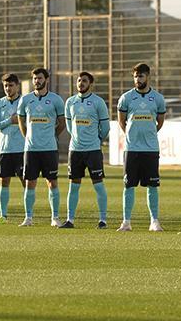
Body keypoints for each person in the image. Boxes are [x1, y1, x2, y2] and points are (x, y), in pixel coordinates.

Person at [116, 63, 166, 232]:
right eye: (136, 76)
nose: (138, 79)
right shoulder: (126, 98)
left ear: (148, 77)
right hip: (132, 149)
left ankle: (154, 221)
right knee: (128, 185)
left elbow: (160, 122)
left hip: (151, 148)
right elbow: (122, 121)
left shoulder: (158, 98)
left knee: (152, 186)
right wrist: (131, 135)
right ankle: (126, 221)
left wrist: (149, 133)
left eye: (141, 76)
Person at [59, 71, 110, 229]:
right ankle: (70, 220)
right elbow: (69, 127)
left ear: (91, 84)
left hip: (93, 151)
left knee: (98, 185)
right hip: (75, 150)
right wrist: (77, 138)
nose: (81, 83)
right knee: (73, 185)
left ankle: (103, 220)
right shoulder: (70, 102)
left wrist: (96, 140)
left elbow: (105, 128)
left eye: (84, 81)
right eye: (79, 80)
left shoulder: (98, 102)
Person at [17, 67, 66, 226]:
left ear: (46, 80)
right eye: (35, 78)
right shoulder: (25, 100)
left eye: (39, 78)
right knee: (30, 183)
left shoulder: (56, 100)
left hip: (49, 149)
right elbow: (21, 120)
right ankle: (28, 218)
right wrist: (27, 136)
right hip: (31, 149)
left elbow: (62, 123)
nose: (37, 81)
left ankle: (55, 218)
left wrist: (52, 136)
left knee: (52, 182)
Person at [0, 73, 25, 224]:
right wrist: (9, 121)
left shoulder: (25, 102)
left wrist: (21, 122)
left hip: (22, 149)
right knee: (4, 181)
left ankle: (28, 215)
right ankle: (3, 215)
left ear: (17, 86)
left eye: (11, 85)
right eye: (5, 86)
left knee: (26, 182)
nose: (8, 88)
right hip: (4, 149)